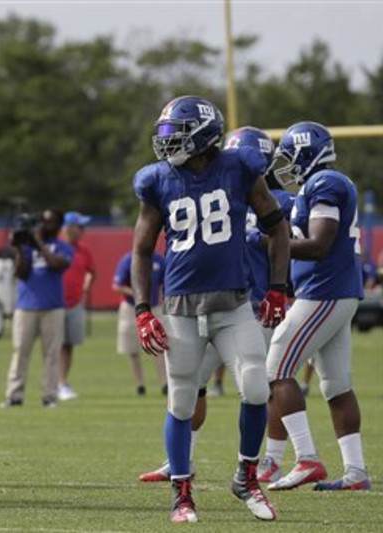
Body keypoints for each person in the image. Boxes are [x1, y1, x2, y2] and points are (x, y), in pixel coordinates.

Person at [132, 96, 289, 523]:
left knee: (256, 386)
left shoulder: (239, 168)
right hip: (182, 306)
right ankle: (182, 494)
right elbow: (142, 251)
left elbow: (278, 227)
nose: (166, 144)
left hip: (233, 302)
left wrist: (277, 287)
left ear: (202, 135)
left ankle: (246, 477)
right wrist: (143, 310)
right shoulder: (156, 180)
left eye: (175, 134)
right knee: (181, 400)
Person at [265, 121, 370, 491]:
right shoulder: (323, 185)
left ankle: (307, 458)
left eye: (291, 155)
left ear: (307, 153)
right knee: (336, 385)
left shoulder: (325, 184)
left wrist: (270, 244)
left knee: (276, 367)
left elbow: (320, 243)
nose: (286, 164)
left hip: (324, 292)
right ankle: (356, 472)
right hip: (333, 292)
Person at [1, 209, 73, 408]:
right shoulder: (27, 247)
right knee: (20, 352)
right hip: (26, 306)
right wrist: (19, 250)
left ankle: (50, 396)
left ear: (58, 226)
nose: (44, 226)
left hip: (52, 307)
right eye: (43, 221)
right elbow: (20, 273)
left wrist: (38, 243)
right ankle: (14, 395)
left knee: (51, 354)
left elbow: (56, 264)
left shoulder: (62, 246)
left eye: (50, 222)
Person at [112, 250, 167, 397]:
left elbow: (164, 282)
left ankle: (164, 383)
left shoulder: (158, 260)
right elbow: (117, 285)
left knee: (159, 345)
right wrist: (137, 294)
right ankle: (140, 385)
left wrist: (162, 300)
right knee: (133, 349)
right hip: (131, 307)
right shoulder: (128, 260)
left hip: (154, 306)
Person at [58, 211, 96, 401]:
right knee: (54, 345)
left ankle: (62, 382)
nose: (83, 231)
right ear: (68, 228)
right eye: (80, 227)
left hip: (75, 302)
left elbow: (91, 271)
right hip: (54, 302)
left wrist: (86, 286)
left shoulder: (83, 250)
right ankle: (54, 383)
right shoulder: (56, 245)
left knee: (69, 344)